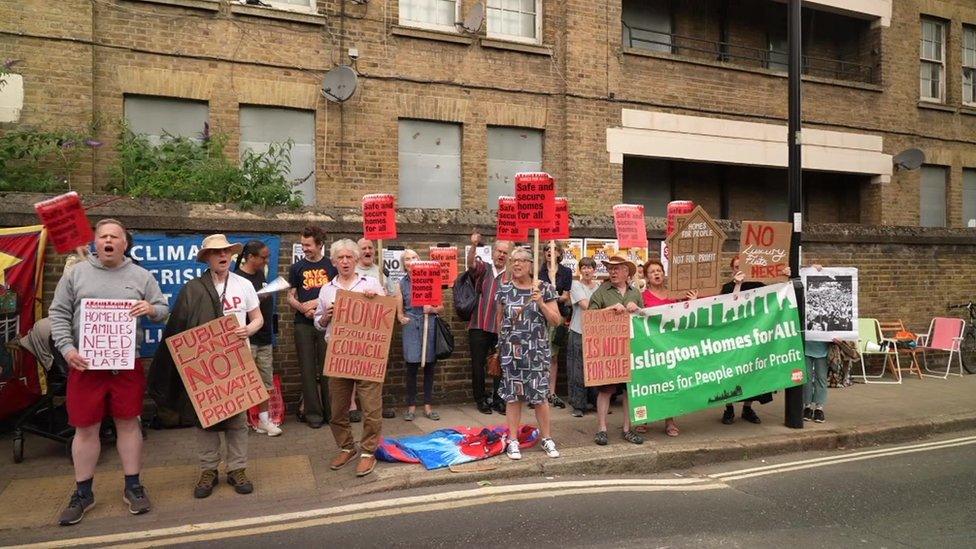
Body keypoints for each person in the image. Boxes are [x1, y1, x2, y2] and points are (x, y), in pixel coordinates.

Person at [49, 219, 168, 526]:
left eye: (115, 237)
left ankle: (133, 486)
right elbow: (59, 313)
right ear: (95, 242)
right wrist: (67, 348)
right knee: (85, 429)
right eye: (102, 236)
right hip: (86, 365)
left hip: (125, 365)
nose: (108, 241)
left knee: (129, 424)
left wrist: (151, 309)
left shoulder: (141, 275)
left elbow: (163, 308)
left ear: (125, 243)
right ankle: (83, 493)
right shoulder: (76, 274)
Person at [151, 234, 264, 499]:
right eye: (216, 253)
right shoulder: (193, 289)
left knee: (237, 421)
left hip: (237, 361)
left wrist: (248, 330)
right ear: (208, 258)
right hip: (205, 365)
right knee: (205, 421)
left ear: (231, 255)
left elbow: (257, 318)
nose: (222, 256)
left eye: (225, 251)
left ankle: (237, 469)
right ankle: (208, 470)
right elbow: (179, 327)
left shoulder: (244, 284)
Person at [315, 239, 387, 477]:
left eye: (349, 257)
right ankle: (347, 447)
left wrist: (374, 300)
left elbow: (385, 314)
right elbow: (318, 323)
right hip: (339, 355)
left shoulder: (372, 283)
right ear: (334, 261)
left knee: (371, 408)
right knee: (337, 409)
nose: (345, 262)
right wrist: (326, 316)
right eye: (340, 258)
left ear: (356, 260)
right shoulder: (327, 289)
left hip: (367, 355)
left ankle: (368, 452)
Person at [496, 247, 563, 460]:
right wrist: (501, 347)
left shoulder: (544, 288)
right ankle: (513, 440)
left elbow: (556, 321)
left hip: (536, 352)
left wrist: (541, 303)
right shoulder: (504, 290)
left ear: (530, 265)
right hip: (512, 353)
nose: (516, 264)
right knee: (513, 397)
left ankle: (546, 438)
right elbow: (499, 322)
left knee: (540, 397)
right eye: (513, 260)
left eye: (521, 261)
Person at [718, 256, 791, 425]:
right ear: (732, 270)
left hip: (753, 338)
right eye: (736, 267)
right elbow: (725, 308)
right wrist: (737, 285)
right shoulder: (728, 287)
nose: (739, 270)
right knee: (729, 374)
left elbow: (779, 294)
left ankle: (747, 407)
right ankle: (728, 408)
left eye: (741, 266)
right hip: (733, 339)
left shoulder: (757, 285)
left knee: (752, 373)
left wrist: (786, 277)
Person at [587, 256, 644, 446]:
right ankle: (602, 429)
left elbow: (645, 321)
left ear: (627, 272)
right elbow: (589, 318)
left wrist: (638, 310)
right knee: (605, 390)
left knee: (629, 390)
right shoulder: (601, 292)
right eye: (610, 269)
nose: (612, 272)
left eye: (617, 268)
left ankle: (628, 428)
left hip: (630, 348)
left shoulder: (635, 293)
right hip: (609, 350)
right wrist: (611, 308)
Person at [287, 226, 337, 429]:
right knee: (307, 369)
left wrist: (315, 304)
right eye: (302, 245)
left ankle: (331, 413)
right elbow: (290, 295)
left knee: (329, 370)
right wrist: (302, 308)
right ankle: (313, 414)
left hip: (326, 324)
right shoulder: (296, 268)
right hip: (303, 324)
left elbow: (336, 292)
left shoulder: (331, 266)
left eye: (308, 245)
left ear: (319, 244)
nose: (304, 248)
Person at [640, 259, 696, 437]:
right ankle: (643, 418)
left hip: (671, 345)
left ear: (664, 274)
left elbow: (686, 315)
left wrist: (692, 302)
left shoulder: (674, 294)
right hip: (650, 346)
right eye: (652, 272)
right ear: (647, 277)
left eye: (659, 270)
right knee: (649, 382)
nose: (656, 274)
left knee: (670, 381)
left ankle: (670, 420)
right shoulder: (642, 296)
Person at [235, 240, 281, 437]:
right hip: (245, 338)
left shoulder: (261, 274)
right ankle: (239, 423)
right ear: (251, 257)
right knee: (243, 383)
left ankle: (263, 421)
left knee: (265, 382)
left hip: (265, 338)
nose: (266, 260)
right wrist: (256, 299)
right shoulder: (236, 279)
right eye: (263, 257)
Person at [466, 232, 513, 415]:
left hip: (501, 328)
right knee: (477, 364)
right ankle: (480, 399)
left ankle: (498, 399)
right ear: (493, 252)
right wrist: (473, 245)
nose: (501, 255)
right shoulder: (483, 268)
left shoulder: (511, 275)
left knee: (500, 364)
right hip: (478, 324)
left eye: (505, 253)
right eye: (499, 251)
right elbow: (470, 262)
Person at [393, 249, 443, 421]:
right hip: (412, 325)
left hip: (429, 324)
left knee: (429, 366)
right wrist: (401, 317)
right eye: (407, 259)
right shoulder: (401, 283)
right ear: (404, 263)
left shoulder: (431, 279)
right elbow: (399, 308)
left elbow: (440, 307)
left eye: (414, 258)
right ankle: (411, 406)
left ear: (419, 260)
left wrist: (433, 309)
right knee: (411, 367)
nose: (411, 261)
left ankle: (428, 406)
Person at [538, 241, 573, 410]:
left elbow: (566, 297)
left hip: (557, 316)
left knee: (553, 355)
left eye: (554, 249)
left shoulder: (566, 272)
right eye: (547, 249)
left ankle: (551, 392)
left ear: (560, 253)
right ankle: (540, 392)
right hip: (540, 317)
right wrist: (552, 295)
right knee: (539, 355)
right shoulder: (538, 272)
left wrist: (550, 295)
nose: (550, 252)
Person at [566, 257, 600, 417]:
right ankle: (578, 405)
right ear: (580, 271)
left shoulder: (599, 287)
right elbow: (586, 305)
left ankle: (595, 402)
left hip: (595, 333)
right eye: (583, 268)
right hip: (578, 331)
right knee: (577, 370)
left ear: (594, 270)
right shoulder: (575, 285)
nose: (587, 271)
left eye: (589, 267)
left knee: (595, 369)